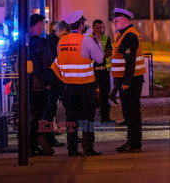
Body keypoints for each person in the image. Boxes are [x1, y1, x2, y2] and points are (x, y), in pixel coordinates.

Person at [51, 10, 104, 157]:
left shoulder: (61, 41)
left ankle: (72, 149)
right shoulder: (86, 40)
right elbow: (100, 59)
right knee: (87, 118)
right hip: (85, 85)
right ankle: (88, 148)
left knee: (71, 118)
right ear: (81, 25)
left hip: (68, 86)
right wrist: (98, 42)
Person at [111, 8, 146, 153]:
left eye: (117, 21)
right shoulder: (124, 34)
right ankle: (131, 141)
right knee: (130, 113)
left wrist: (126, 82)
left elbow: (130, 61)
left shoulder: (129, 36)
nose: (114, 24)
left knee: (131, 113)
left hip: (130, 81)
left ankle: (134, 143)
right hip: (129, 80)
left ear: (125, 20)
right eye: (114, 21)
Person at [28, 14, 55, 156]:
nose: (43, 28)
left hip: (24, 85)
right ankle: (34, 143)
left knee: (30, 114)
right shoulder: (42, 43)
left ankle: (31, 143)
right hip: (39, 85)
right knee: (39, 116)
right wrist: (49, 82)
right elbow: (47, 65)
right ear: (38, 25)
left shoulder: (20, 42)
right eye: (42, 25)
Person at [44, 20, 71, 147]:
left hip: (60, 79)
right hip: (54, 80)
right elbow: (53, 60)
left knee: (68, 107)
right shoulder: (51, 40)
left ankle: (71, 135)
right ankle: (48, 138)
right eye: (64, 34)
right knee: (50, 110)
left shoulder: (57, 39)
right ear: (58, 30)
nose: (65, 37)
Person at [89, 19, 113, 123]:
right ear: (93, 27)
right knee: (91, 96)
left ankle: (105, 118)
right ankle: (90, 118)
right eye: (97, 27)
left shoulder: (106, 38)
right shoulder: (88, 39)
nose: (99, 30)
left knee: (105, 95)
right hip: (93, 71)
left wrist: (100, 53)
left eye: (101, 27)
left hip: (104, 70)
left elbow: (109, 51)